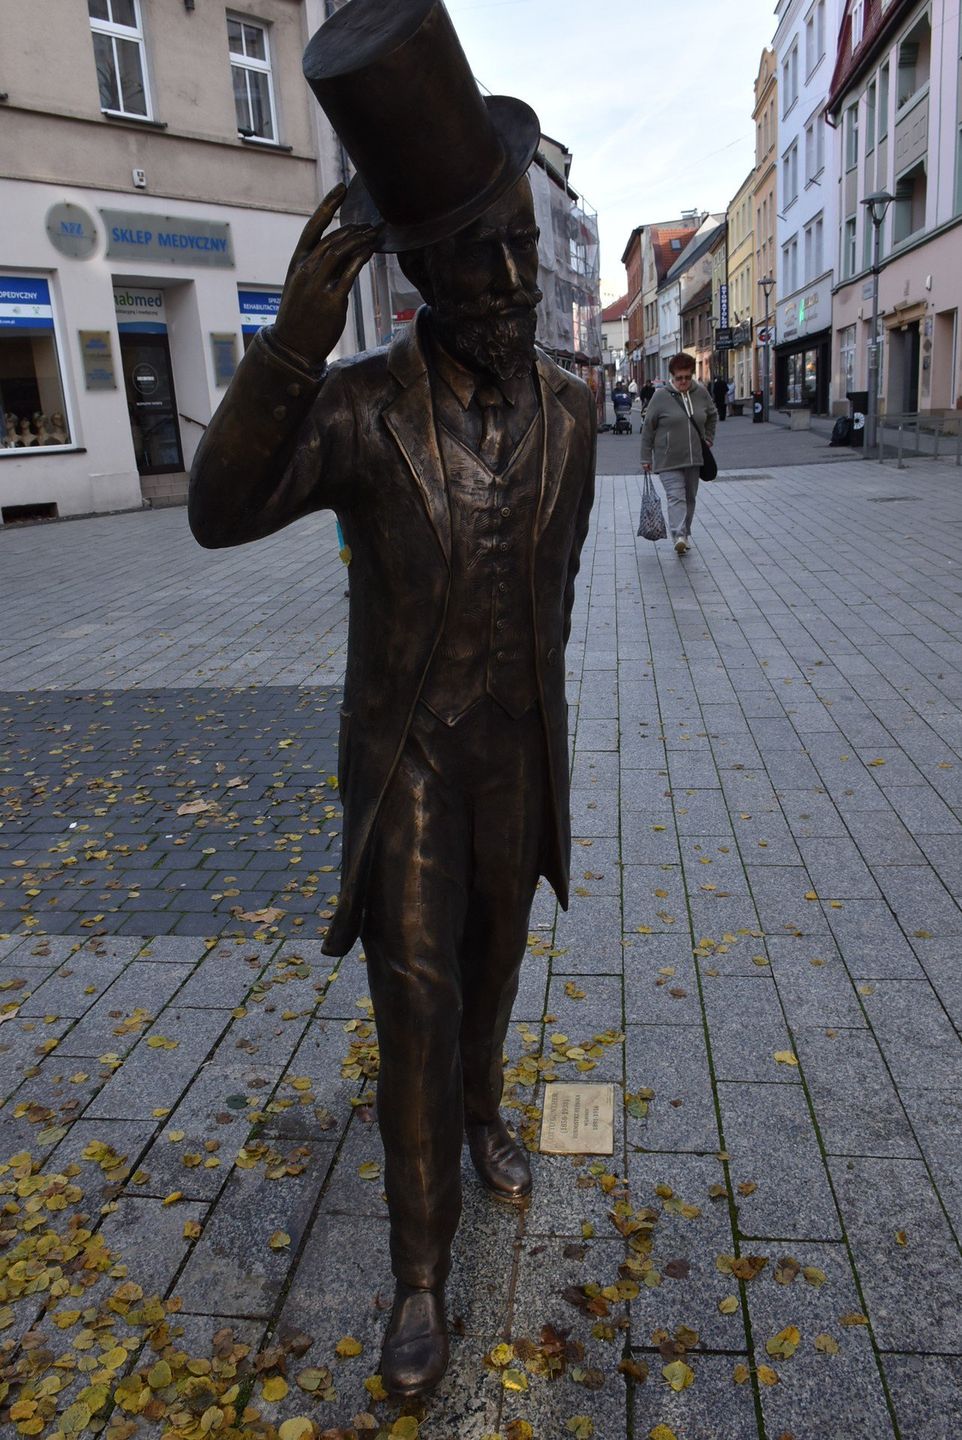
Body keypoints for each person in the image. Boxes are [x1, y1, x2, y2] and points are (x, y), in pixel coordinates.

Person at [189, 0, 595, 1401]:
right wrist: (288, 348)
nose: (515, 281)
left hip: (514, 753)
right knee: (413, 1003)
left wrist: (542, 743)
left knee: (489, 973)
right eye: (487, 263)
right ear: (426, 273)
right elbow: (217, 511)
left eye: (524, 253)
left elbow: (554, 591)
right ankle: (420, 1276)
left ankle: (484, 1109)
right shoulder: (359, 408)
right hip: (409, 758)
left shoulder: (579, 409)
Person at [640, 351, 717, 555]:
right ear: (672, 377)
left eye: (687, 377)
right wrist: (646, 457)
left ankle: (685, 533)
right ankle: (679, 535)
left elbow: (712, 414)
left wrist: (709, 437)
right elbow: (648, 427)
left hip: (694, 458)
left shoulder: (700, 392)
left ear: (692, 374)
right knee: (676, 497)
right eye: (679, 378)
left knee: (690, 498)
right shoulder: (660, 396)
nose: (683, 381)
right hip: (667, 459)